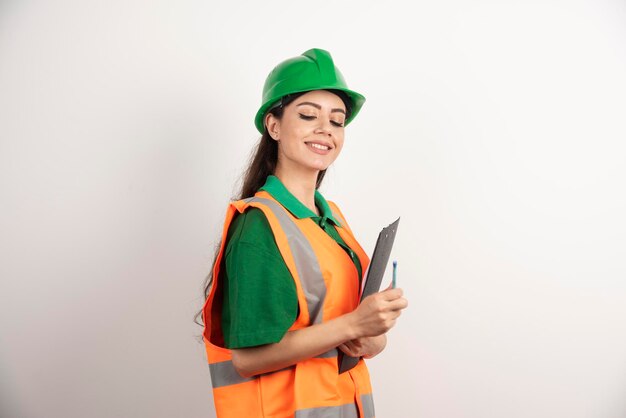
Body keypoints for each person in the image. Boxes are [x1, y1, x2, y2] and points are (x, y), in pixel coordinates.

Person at [201, 48, 408, 418]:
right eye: (309, 115)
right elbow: (248, 359)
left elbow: (353, 336)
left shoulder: (332, 220)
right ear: (274, 125)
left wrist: (372, 334)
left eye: (337, 121)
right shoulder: (260, 225)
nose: (325, 129)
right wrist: (354, 323)